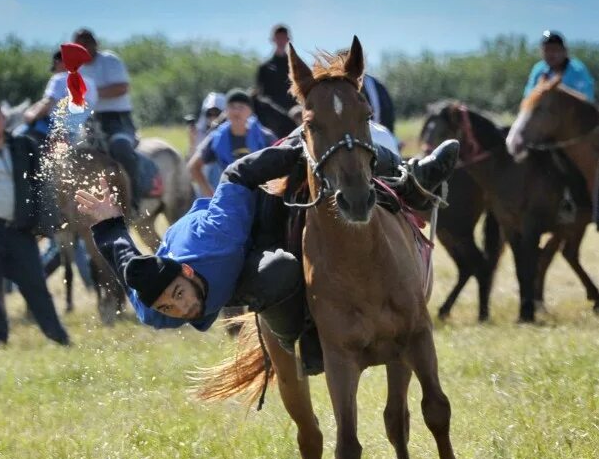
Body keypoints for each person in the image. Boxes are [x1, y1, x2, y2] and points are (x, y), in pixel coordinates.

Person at [77, 138, 460, 353]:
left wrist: (302, 152)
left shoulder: (218, 234)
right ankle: (300, 340)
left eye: (177, 295)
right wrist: (109, 222)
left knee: (320, 145)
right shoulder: (154, 310)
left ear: (188, 272)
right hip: (231, 272)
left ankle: (412, 176)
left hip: (249, 222)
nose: (180, 309)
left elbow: (237, 174)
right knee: (278, 271)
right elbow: (126, 260)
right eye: (169, 306)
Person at [0, 100, 70, 346]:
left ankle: (57, 336)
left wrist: (44, 225)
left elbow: (42, 186)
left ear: (4, 120)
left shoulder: (24, 146)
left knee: (35, 283)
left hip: (20, 228)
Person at [72, 28, 154, 200]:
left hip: (117, 120)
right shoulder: (76, 69)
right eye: (78, 45)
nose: (83, 48)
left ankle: (135, 199)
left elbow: (121, 87)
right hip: (90, 121)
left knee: (121, 150)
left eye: (86, 44)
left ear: (95, 44)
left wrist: (90, 93)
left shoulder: (109, 61)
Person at [188, 89, 277, 197]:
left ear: (250, 111)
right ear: (226, 111)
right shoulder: (217, 138)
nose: (236, 112)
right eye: (232, 107)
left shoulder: (265, 137)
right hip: (229, 199)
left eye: (241, 107)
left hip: (261, 197)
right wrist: (211, 196)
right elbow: (193, 167)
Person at [21, 49, 98, 144]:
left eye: (55, 66)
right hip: (75, 133)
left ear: (60, 63)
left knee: (17, 135)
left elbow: (47, 104)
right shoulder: (91, 83)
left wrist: (30, 117)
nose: (55, 71)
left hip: (51, 129)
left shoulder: (59, 79)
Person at [523, 30, 595, 100]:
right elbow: (527, 95)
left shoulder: (578, 69)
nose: (550, 54)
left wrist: (558, 90)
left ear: (565, 51)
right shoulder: (538, 69)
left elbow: (587, 98)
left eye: (555, 49)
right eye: (546, 50)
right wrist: (541, 90)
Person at [255, 24, 296, 112]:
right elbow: (260, 94)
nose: (280, 41)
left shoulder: (295, 66)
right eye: (278, 37)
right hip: (270, 113)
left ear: (288, 40)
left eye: (283, 37)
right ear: (273, 39)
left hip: (292, 111)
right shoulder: (264, 66)